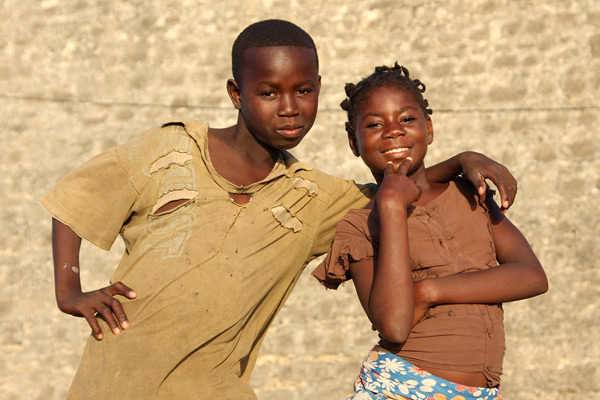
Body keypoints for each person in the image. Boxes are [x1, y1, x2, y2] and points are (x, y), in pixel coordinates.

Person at [41, 20, 518, 399]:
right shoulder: (169, 151)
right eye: (268, 93)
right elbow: (80, 196)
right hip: (113, 382)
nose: (289, 108)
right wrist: (69, 287)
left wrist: (461, 161)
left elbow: (398, 191)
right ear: (237, 94)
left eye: (303, 92)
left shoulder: (316, 197)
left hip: (217, 390)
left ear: (317, 90)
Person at [312, 63, 548, 400]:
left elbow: (532, 276)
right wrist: (391, 208)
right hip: (399, 387)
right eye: (375, 124)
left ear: (430, 129)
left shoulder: (469, 193)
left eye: (407, 119)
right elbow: (393, 325)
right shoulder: (360, 225)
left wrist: (428, 291)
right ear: (354, 142)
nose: (393, 131)